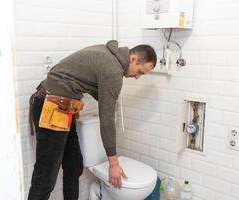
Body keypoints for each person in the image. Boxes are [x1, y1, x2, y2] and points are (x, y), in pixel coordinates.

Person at [28, 40, 157, 200]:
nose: (137, 77)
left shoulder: (108, 54)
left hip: (63, 107)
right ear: (133, 58)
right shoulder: (113, 70)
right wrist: (114, 164)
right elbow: (107, 119)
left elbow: (65, 73)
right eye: (140, 72)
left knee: (73, 166)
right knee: (45, 176)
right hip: (52, 106)